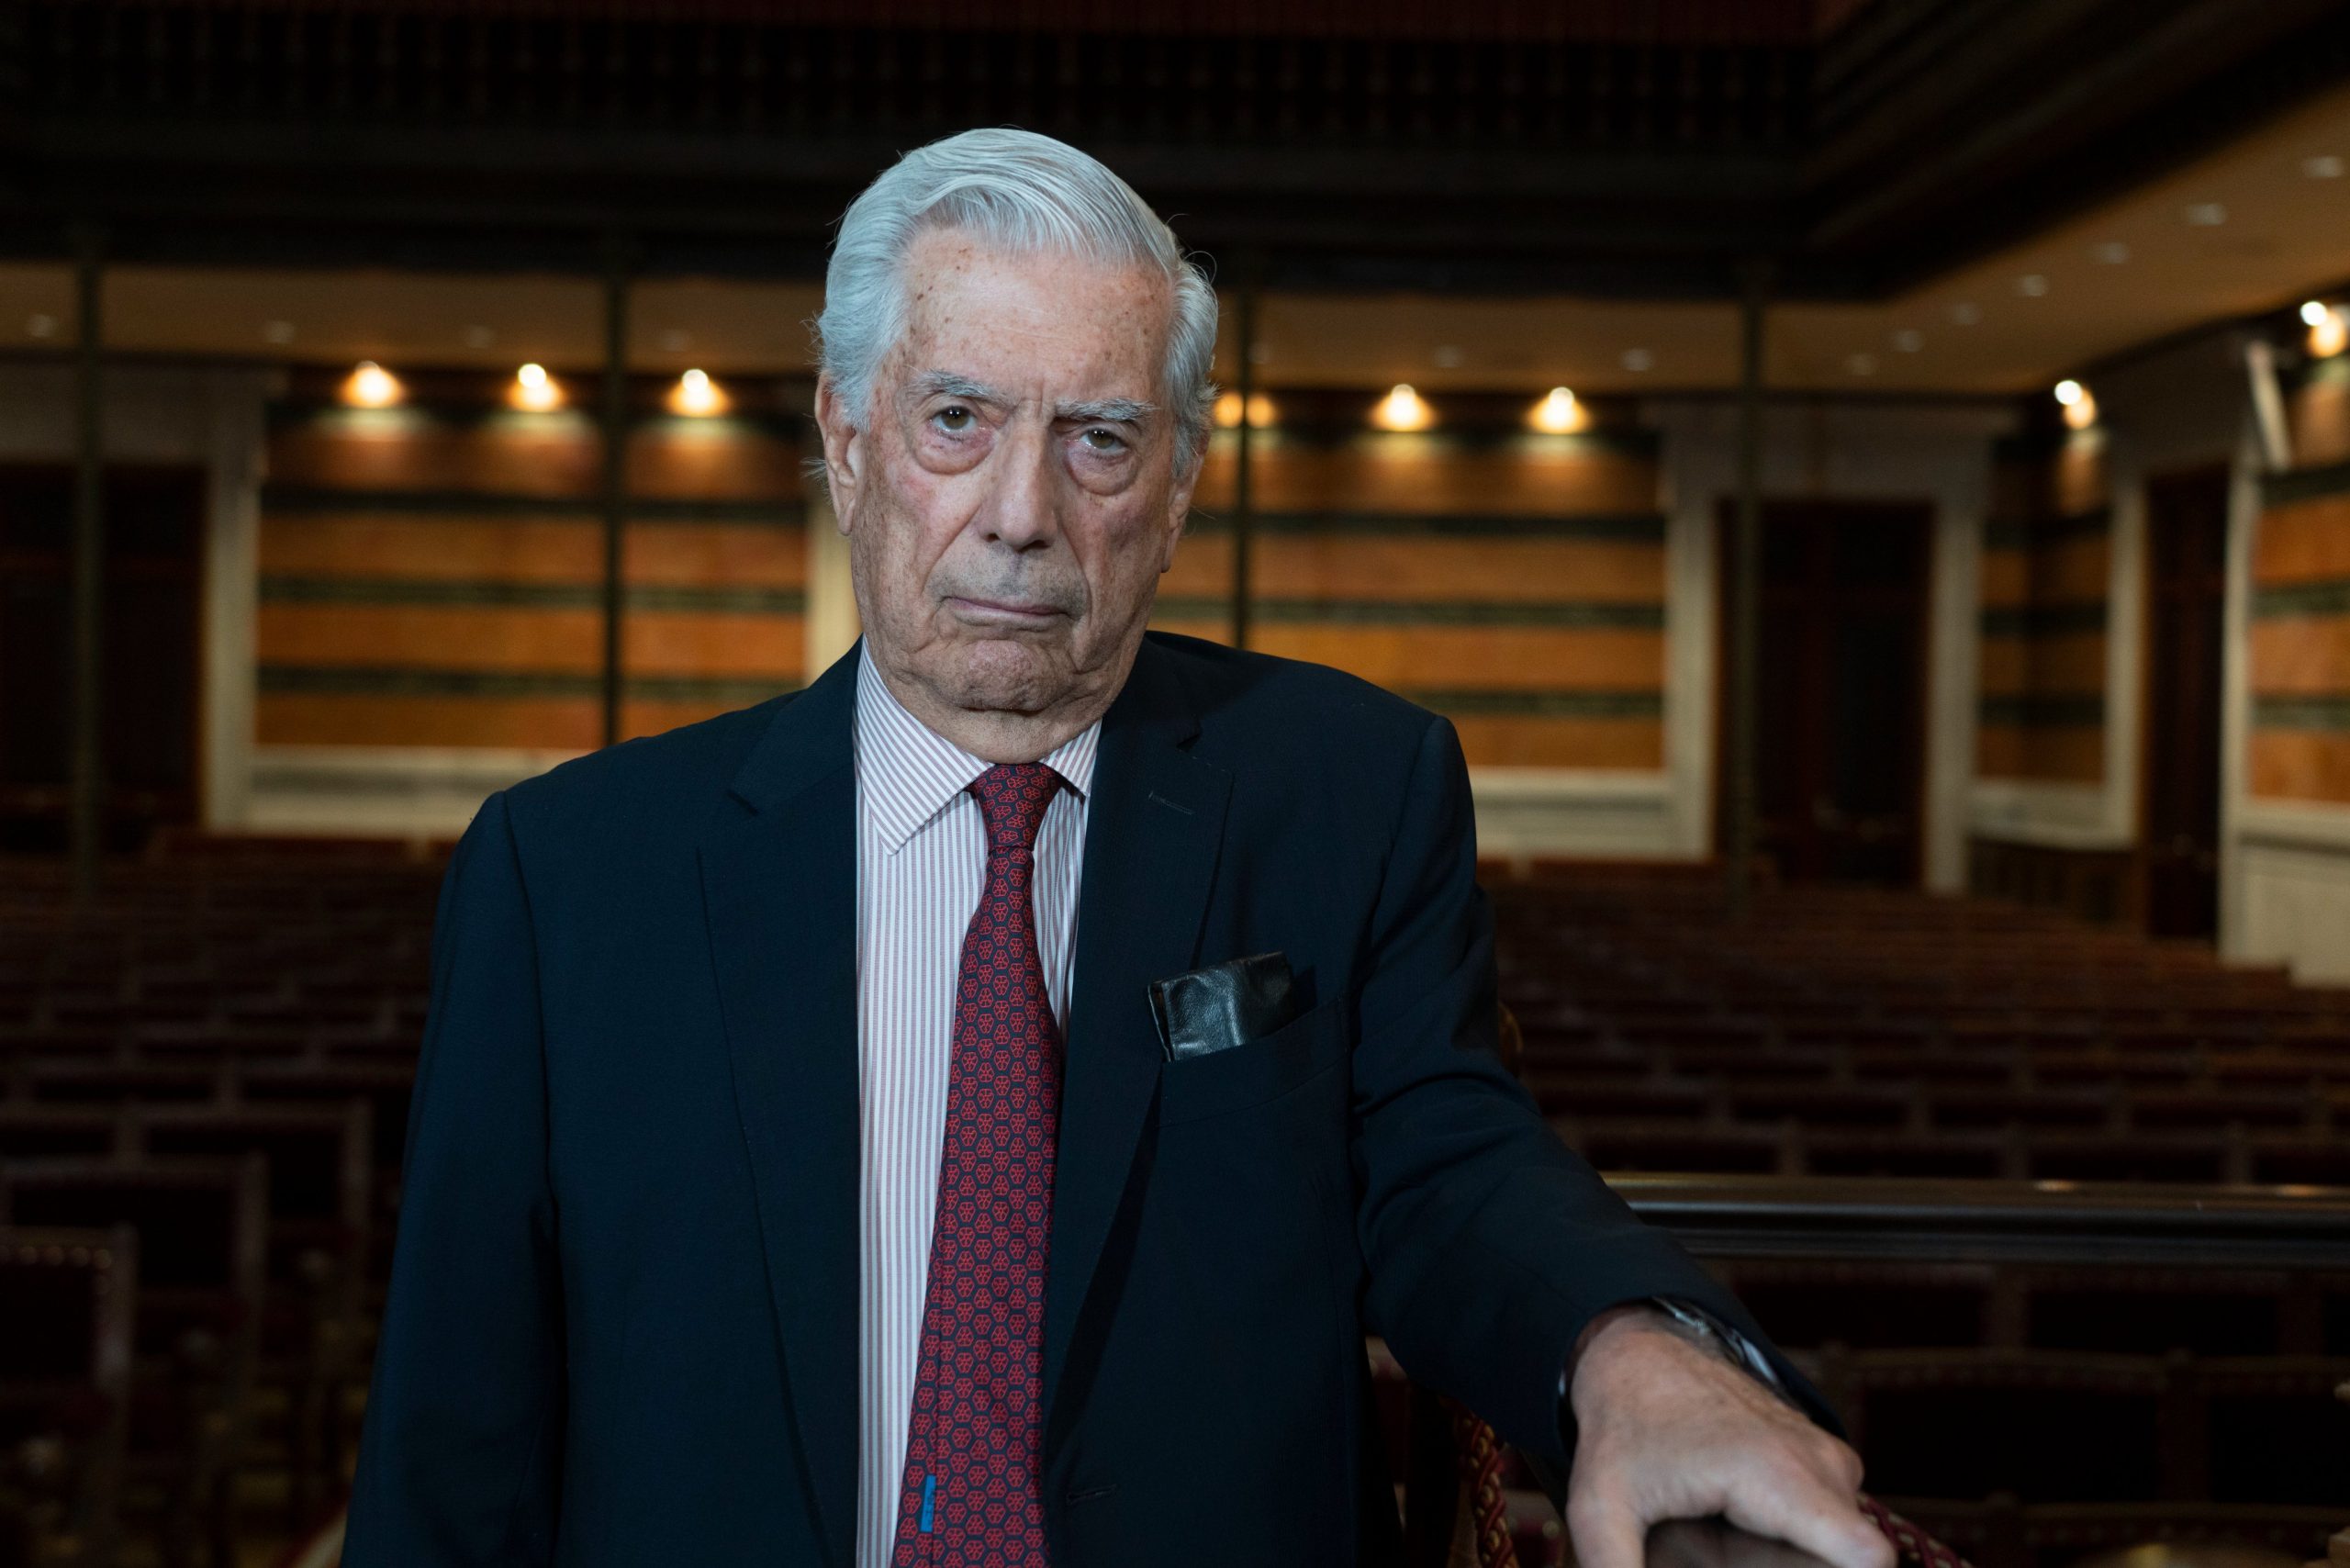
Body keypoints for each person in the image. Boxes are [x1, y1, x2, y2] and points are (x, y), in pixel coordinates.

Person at [341, 127, 1895, 1568]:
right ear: (848, 437)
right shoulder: (568, 877)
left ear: (1180, 483)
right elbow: (454, 1452)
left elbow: (1449, 1164)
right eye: (958, 420)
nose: (1022, 514)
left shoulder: (1351, 792)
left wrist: (1631, 1355)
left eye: (1098, 438)